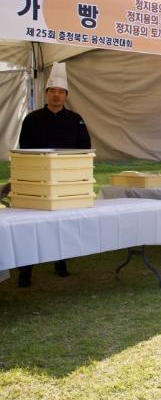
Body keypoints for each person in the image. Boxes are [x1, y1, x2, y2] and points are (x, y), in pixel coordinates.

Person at [16, 62, 91, 287]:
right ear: (46, 93)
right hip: (37, 181)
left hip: (64, 182)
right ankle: (25, 271)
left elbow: (84, 147)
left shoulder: (75, 119)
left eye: (60, 92)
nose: (56, 96)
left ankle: (61, 263)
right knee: (31, 225)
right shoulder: (32, 118)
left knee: (62, 224)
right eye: (52, 91)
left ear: (66, 95)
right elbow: (25, 147)